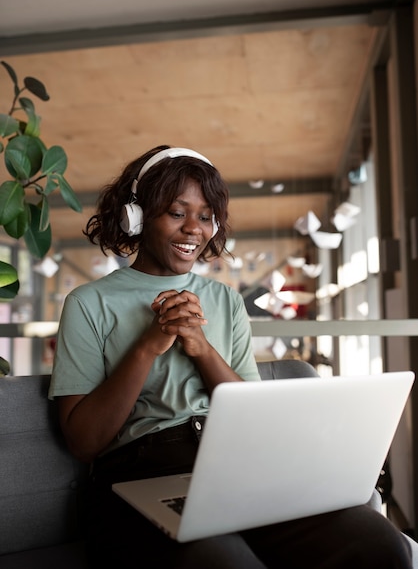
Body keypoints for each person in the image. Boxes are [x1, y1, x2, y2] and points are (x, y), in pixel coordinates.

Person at [49, 144, 413, 569]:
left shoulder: (225, 300)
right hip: (141, 473)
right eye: (176, 212)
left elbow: (250, 415)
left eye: (205, 216)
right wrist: (150, 343)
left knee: (381, 544)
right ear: (138, 215)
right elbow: (83, 442)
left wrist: (201, 347)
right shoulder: (88, 302)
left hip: (238, 470)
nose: (193, 229)